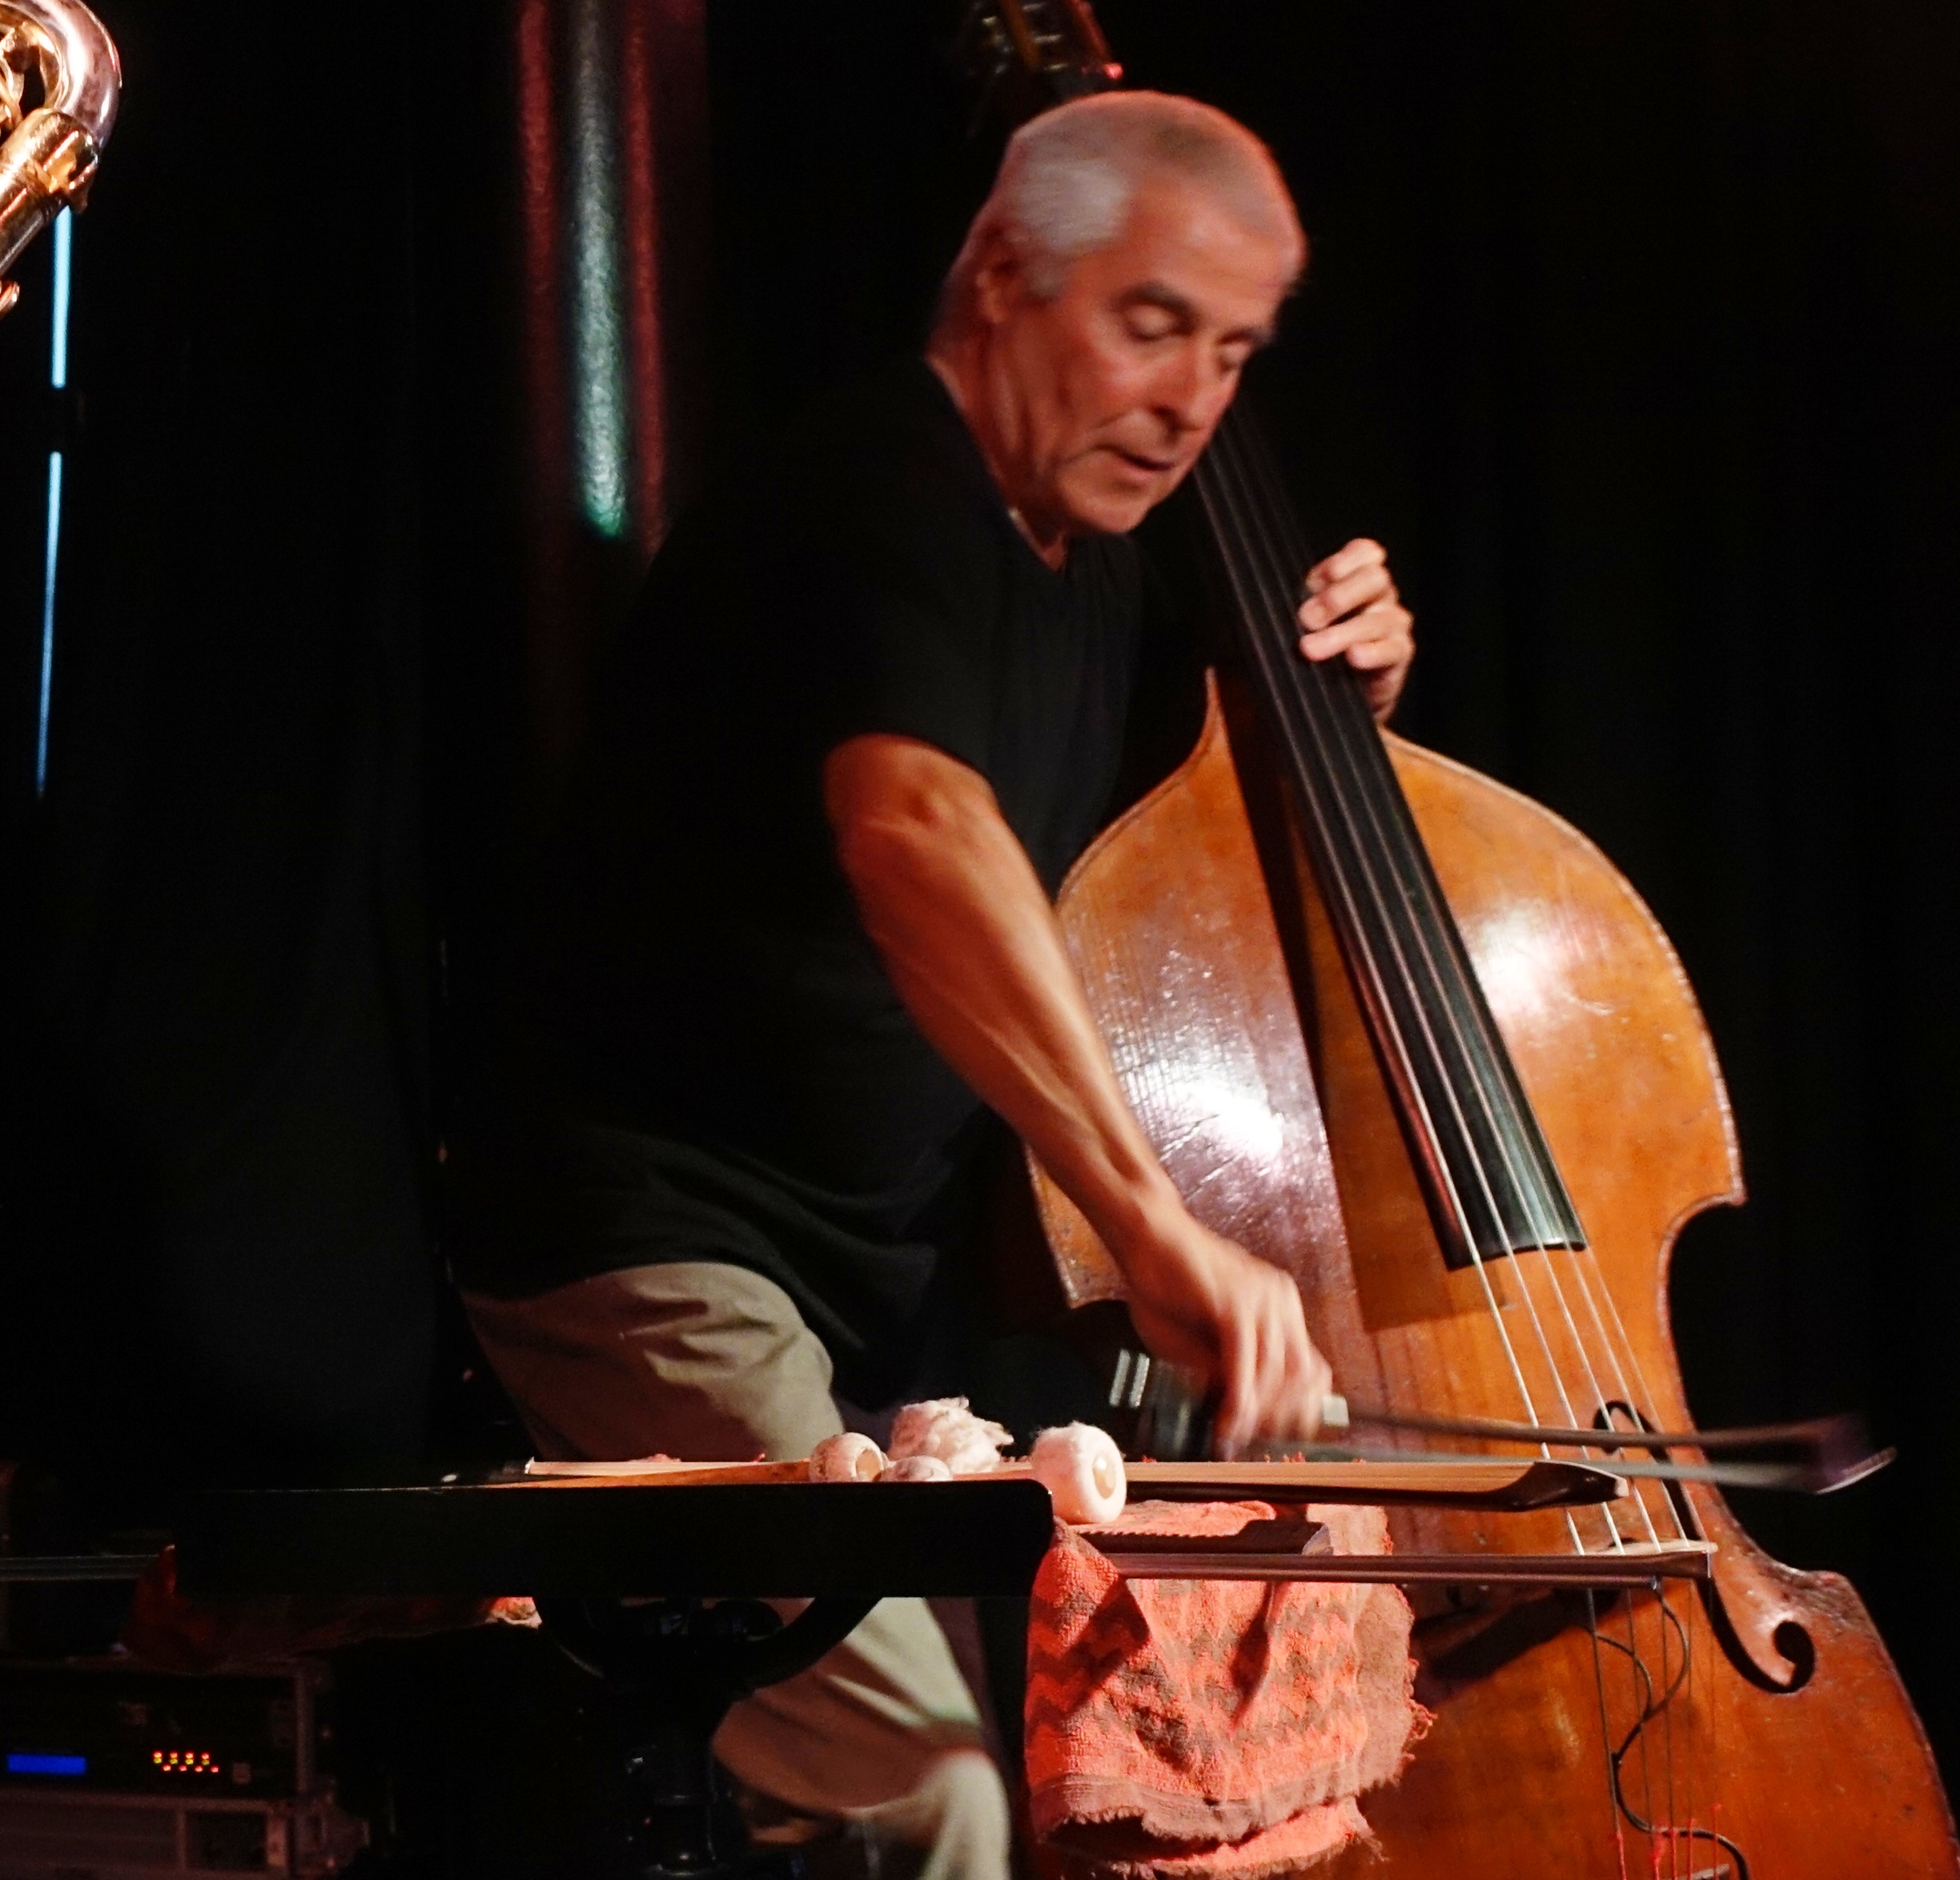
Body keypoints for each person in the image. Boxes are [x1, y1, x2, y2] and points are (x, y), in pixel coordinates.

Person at [448, 90, 1416, 1880]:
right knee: (924, 1795)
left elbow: (1172, 867)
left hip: (887, 1291)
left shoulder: (1100, 570)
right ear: (997, 273)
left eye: (1227, 349)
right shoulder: (875, 485)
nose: (1191, 396)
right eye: (1146, 321)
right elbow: (917, 827)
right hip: (650, 1241)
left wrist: (1332, 695)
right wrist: (1150, 1225)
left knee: (1145, 1767)